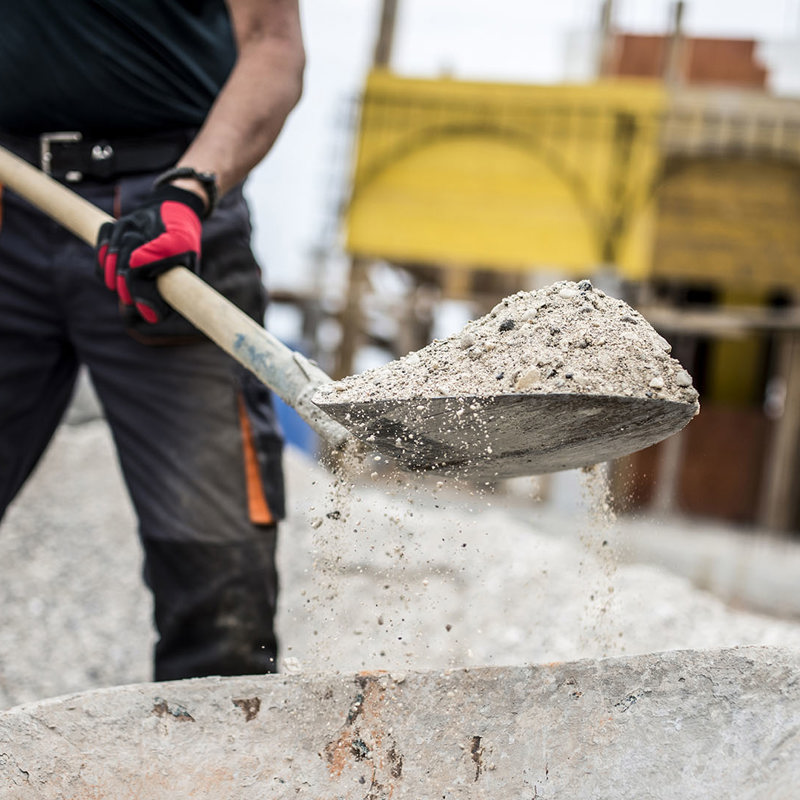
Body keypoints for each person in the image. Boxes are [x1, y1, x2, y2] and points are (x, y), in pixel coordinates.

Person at [0, 0, 305, 681]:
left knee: (219, 602)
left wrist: (191, 188)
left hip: (166, 222)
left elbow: (273, 48)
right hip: (7, 197)